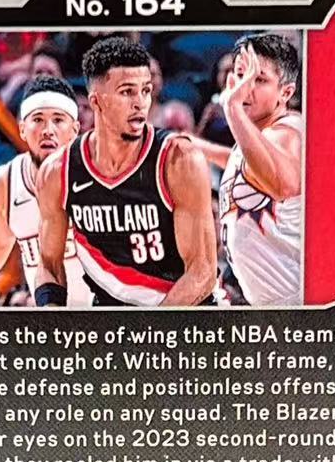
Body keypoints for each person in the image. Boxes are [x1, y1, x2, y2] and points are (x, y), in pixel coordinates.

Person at [37, 36, 217, 308]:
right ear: (96, 102)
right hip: (111, 316)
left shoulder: (179, 159)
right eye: (127, 92)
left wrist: (146, 330)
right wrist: (50, 313)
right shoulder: (58, 171)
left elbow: (202, 272)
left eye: (145, 90)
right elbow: (49, 264)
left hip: (183, 314)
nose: (141, 103)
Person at [0, 76, 86, 308]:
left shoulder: (96, 175)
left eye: (58, 120)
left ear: (74, 130)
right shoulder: (6, 181)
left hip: (103, 317)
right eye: (38, 119)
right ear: (22, 129)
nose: (48, 130)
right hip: (48, 320)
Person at [218, 33, 304, 306]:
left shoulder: (288, 130)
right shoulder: (254, 136)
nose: (245, 87)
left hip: (294, 306)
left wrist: (232, 108)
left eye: (259, 79)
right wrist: (196, 145)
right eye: (241, 75)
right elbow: (247, 170)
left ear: (285, 92)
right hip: (265, 306)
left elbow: (284, 185)